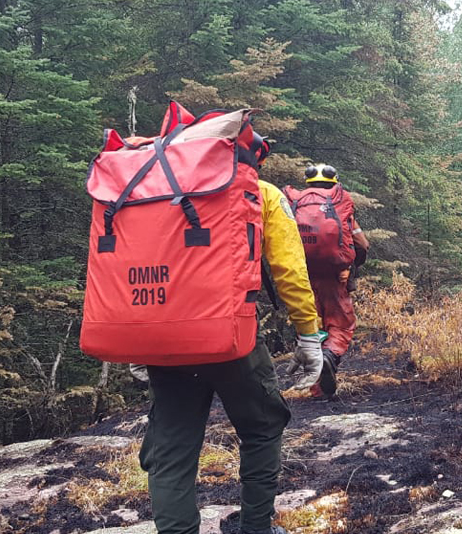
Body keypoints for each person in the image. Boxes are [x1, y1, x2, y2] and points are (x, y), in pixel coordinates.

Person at [138, 137, 324, 534]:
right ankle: (256, 527)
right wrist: (308, 335)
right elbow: (289, 271)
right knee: (261, 427)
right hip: (232, 337)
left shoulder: (150, 193)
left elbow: (126, 269)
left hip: (165, 342)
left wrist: (139, 341)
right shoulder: (261, 193)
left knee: (171, 448)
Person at [291, 164, 369, 398]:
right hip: (334, 278)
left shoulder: (294, 204)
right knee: (341, 325)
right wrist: (352, 266)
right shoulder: (339, 204)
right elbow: (362, 245)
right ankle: (329, 357)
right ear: (334, 183)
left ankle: (317, 389)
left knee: (310, 326)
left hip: (301, 277)